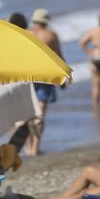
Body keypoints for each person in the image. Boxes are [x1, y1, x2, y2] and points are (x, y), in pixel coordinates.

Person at [27, 8, 63, 155]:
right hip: (45, 76)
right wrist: (63, 76)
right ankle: (35, 147)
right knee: (40, 114)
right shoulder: (51, 35)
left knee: (29, 114)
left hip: (27, 75)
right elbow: (58, 56)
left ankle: (29, 147)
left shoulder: (25, 33)